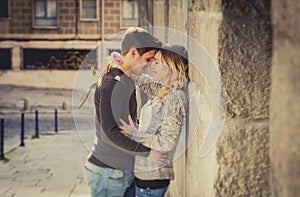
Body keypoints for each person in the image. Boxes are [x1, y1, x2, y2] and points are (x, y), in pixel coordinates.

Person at [83, 27, 166, 197]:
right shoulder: (113, 84)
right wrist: (147, 153)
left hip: (120, 172)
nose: (149, 65)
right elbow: (110, 131)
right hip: (108, 174)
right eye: (148, 59)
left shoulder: (124, 79)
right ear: (134, 53)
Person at [119, 44, 189, 197]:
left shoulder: (176, 98)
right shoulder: (165, 90)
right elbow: (143, 82)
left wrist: (134, 133)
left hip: (153, 179)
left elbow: (167, 142)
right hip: (145, 175)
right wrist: (122, 64)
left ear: (170, 66)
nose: (151, 65)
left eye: (156, 62)